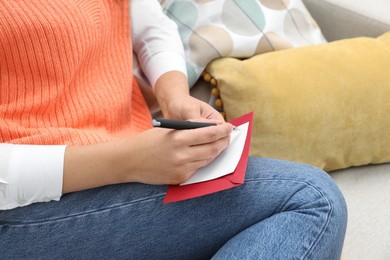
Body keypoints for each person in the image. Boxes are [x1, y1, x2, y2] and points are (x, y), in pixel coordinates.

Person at [0, 1, 347, 259]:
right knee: (310, 200)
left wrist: (174, 96)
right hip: (28, 206)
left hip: (124, 163)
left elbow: (150, 26)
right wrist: (128, 161)